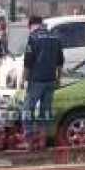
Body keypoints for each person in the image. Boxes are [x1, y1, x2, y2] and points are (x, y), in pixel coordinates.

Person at [22, 16, 64, 150]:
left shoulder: (33, 38)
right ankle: (42, 140)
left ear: (31, 25)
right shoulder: (55, 37)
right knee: (45, 111)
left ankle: (29, 141)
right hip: (51, 80)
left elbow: (28, 62)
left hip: (36, 80)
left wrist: (24, 80)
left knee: (27, 110)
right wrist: (58, 79)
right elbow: (60, 61)